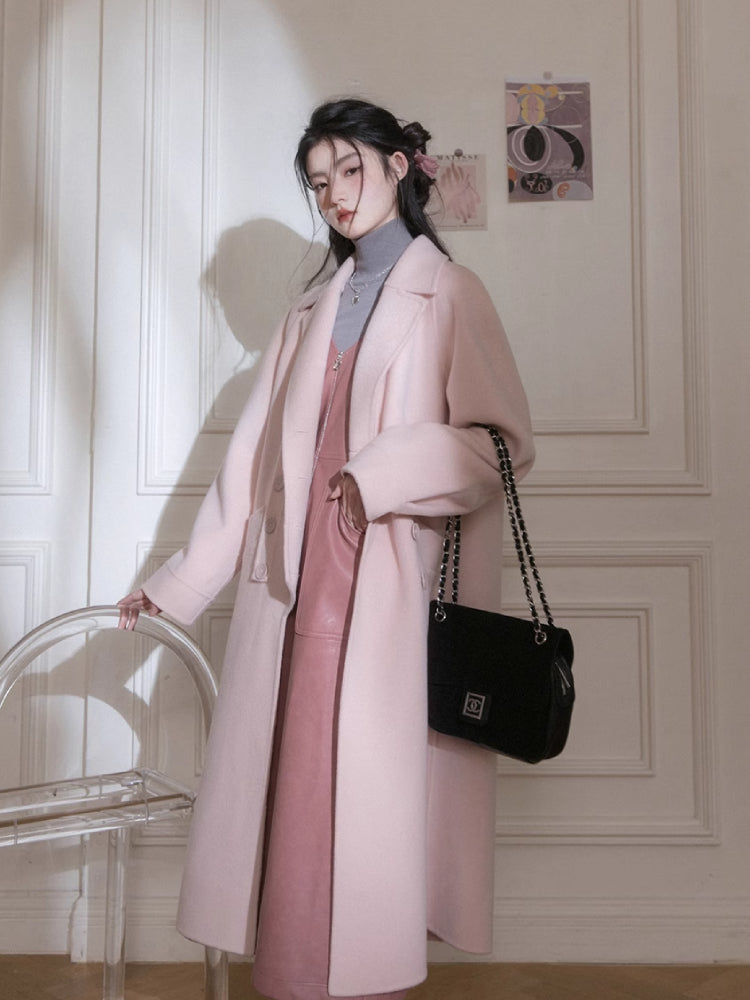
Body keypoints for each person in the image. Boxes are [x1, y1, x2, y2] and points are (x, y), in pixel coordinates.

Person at [117, 98, 534, 1000]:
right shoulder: (309, 310)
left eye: (349, 169)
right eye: (318, 184)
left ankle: (359, 975)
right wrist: (175, 582)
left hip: (382, 587)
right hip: (295, 587)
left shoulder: (450, 293)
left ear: (397, 167)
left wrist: (381, 473)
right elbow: (250, 465)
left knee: (362, 793)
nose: (336, 195)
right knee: (295, 786)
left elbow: (500, 445)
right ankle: (296, 978)